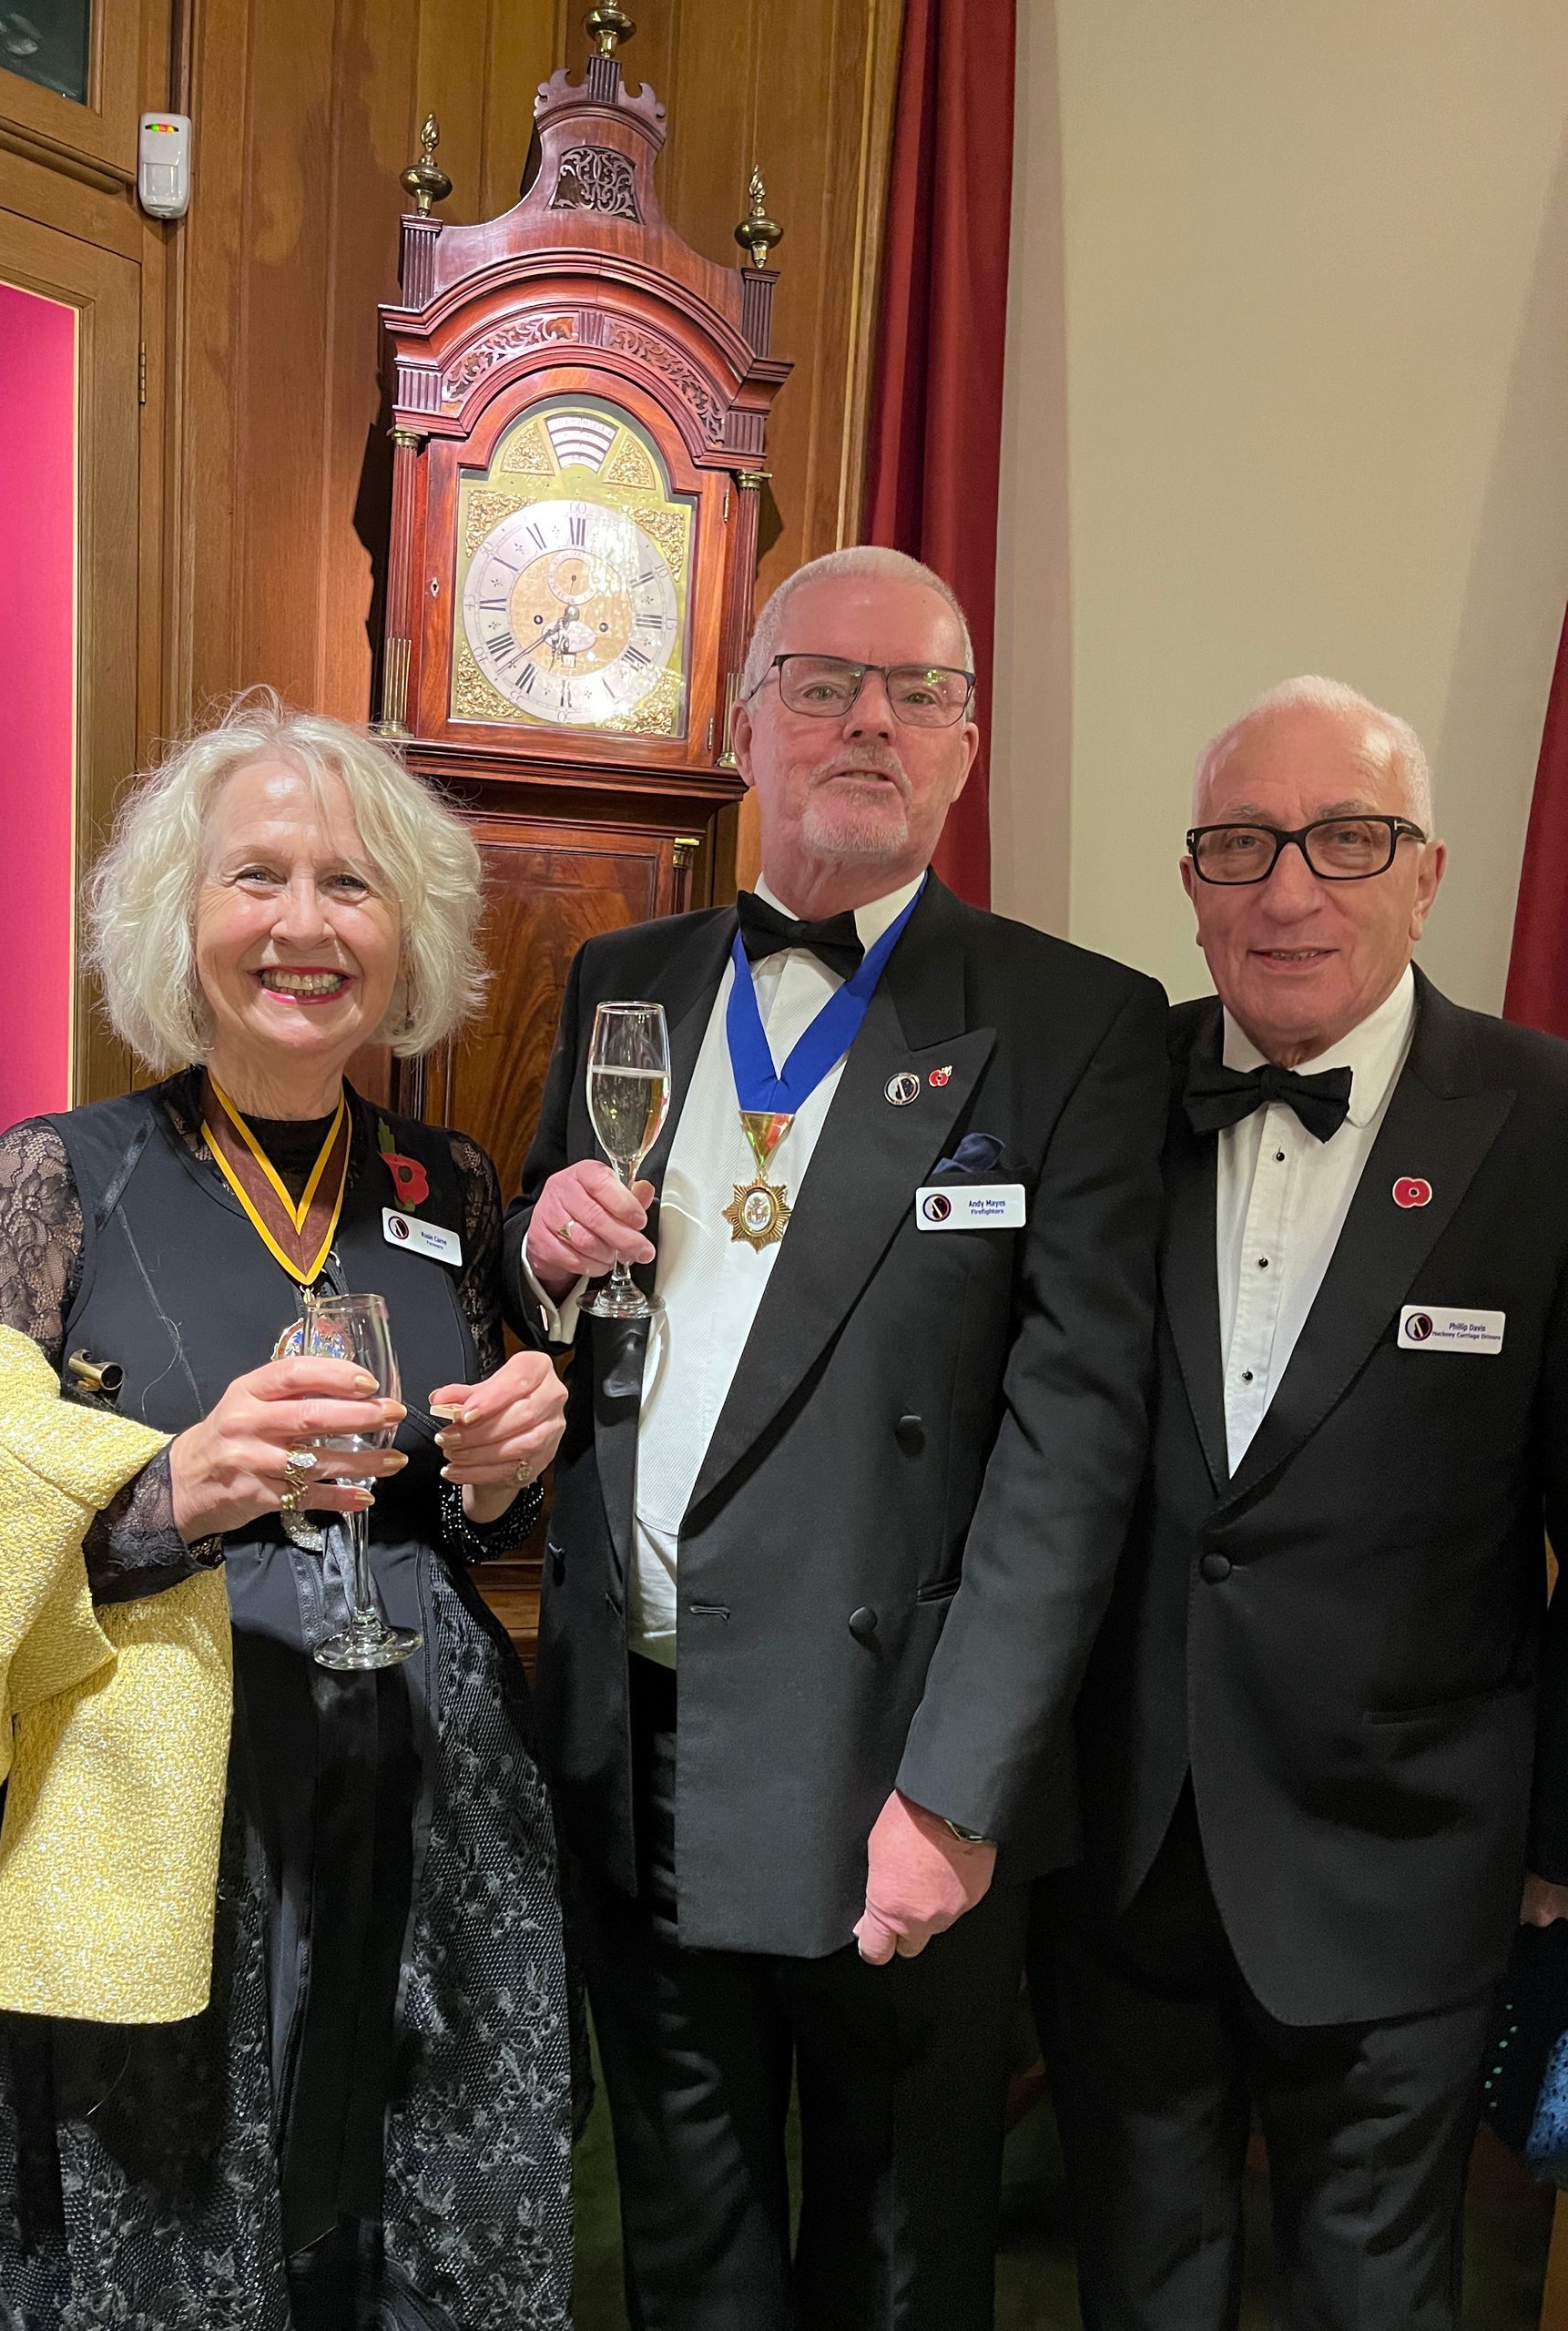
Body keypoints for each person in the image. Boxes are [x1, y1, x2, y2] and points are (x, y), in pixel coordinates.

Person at [503, 545, 1171, 2330]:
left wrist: (956, 1794)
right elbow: (564, 1305)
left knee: (896, 2252)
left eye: (918, 690)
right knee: (686, 2234)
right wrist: (537, 1251)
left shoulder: (1071, 1021)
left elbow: (1072, 1451)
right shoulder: (622, 975)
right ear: (747, 726)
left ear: (966, 747)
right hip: (638, 1728)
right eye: (822, 682)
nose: (871, 719)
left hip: (892, 1757)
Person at [0, 694, 573, 2331]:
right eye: (257, 876)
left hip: (423, 1805)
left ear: (407, 933)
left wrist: (501, 1477)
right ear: (175, 918)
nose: (304, 926)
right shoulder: (58, 1177)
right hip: (156, 1826)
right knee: (164, 2245)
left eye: (351, 884)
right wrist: (169, 1490)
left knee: (408, 2228)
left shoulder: (448, 1183)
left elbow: (455, 1520)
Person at [1033, 676, 1568, 2330]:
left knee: (1373, 2297)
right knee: (1140, 2285)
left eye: (1346, 839)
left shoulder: (1548, 1122)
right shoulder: (1097, 1095)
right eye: (1242, 844)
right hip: (1123, 1837)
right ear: (1192, 883)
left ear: (1428, 873)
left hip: (1408, 1856)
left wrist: (1558, 1842)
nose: (1287, 889)